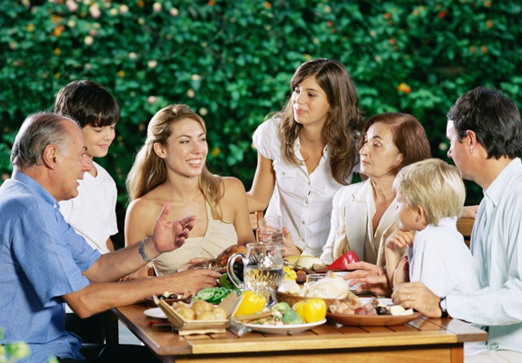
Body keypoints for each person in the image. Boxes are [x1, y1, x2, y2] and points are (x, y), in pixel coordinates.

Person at [0, 112, 220, 363]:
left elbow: (97, 267)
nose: (86, 164)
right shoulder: (31, 210)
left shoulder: (28, 200)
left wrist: (153, 246)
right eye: (80, 155)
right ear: (52, 156)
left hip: (55, 349)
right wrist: (173, 283)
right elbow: (84, 301)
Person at [391, 87, 522, 362]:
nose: (449, 152)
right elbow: (475, 286)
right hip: (481, 342)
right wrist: (399, 286)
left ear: (471, 140)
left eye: (453, 141)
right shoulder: (492, 197)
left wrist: (443, 304)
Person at [247, 58, 365, 257]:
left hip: (325, 261)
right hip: (279, 256)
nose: (298, 100)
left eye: (311, 94)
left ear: (334, 102)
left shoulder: (356, 147)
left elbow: (372, 201)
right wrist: (205, 195)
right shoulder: (272, 134)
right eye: (297, 90)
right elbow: (257, 199)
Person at [125, 104, 254, 276]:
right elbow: (136, 286)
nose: (198, 150)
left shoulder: (230, 190)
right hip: (176, 303)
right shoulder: (142, 210)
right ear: (161, 149)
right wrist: (183, 278)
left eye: (201, 139)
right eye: (185, 141)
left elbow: (252, 258)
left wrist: (215, 266)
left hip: (239, 302)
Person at [318, 112, 431, 267]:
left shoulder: (423, 205)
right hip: (345, 290)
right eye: (365, 141)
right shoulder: (344, 196)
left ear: (402, 156)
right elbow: (328, 260)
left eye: (376, 145)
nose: (363, 150)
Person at [385, 158, 479, 298]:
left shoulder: (428, 240)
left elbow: (415, 303)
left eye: (399, 201)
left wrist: (399, 284)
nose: (396, 206)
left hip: (448, 320)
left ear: (419, 212)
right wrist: (391, 250)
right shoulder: (445, 236)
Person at [54, 80, 120, 254]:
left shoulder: (106, 180)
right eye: (98, 130)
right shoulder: (61, 180)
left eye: (112, 127)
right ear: (70, 127)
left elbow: (105, 240)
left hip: (105, 273)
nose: (108, 136)